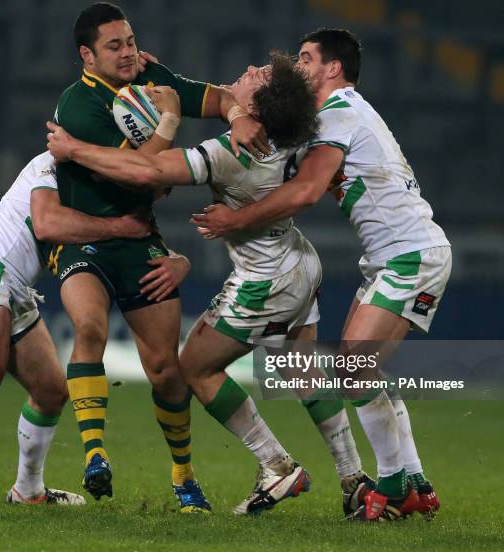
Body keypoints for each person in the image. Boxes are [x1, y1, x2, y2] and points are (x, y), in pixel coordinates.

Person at [46, 52, 338, 515]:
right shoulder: (297, 133)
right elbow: (227, 99)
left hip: (265, 278)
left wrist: (75, 150)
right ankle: (355, 476)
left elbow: (148, 173)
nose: (244, 71)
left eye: (254, 77)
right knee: (303, 369)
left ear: (260, 109)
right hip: (302, 260)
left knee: (195, 369)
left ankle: (277, 465)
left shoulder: (230, 152)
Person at [191, 28, 451, 521]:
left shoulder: (339, 113)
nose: (300, 65)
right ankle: (413, 480)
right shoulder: (341, 115)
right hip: (391, 256)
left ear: (333, 68)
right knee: (362, 370)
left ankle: (392, 489)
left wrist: (237, 219)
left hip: (410, 252)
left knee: (353, 370)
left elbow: (308, 189)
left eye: (307, 58)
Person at [51, 1, 268, 513]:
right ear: (87, 55)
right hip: (86, 240)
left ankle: (183, 475)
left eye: (129, 41)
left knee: (165, 369)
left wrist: (237, 114)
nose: (128, 53)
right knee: (88, 329)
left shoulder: (148, 74)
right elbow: (138, 174)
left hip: (140, 241)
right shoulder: (78, 106)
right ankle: (96, 457)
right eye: (114, 46)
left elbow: (213, 98)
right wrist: (169, 117)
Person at [0, 151, 187, 509]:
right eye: (156, 186)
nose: (154, 194)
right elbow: (47, 224)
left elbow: (142, 242)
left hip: (16, 288)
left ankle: (28, 491)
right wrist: (120, 227)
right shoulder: (55, 163)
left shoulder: (101, 188)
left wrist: (181, 261)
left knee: (50, 391)